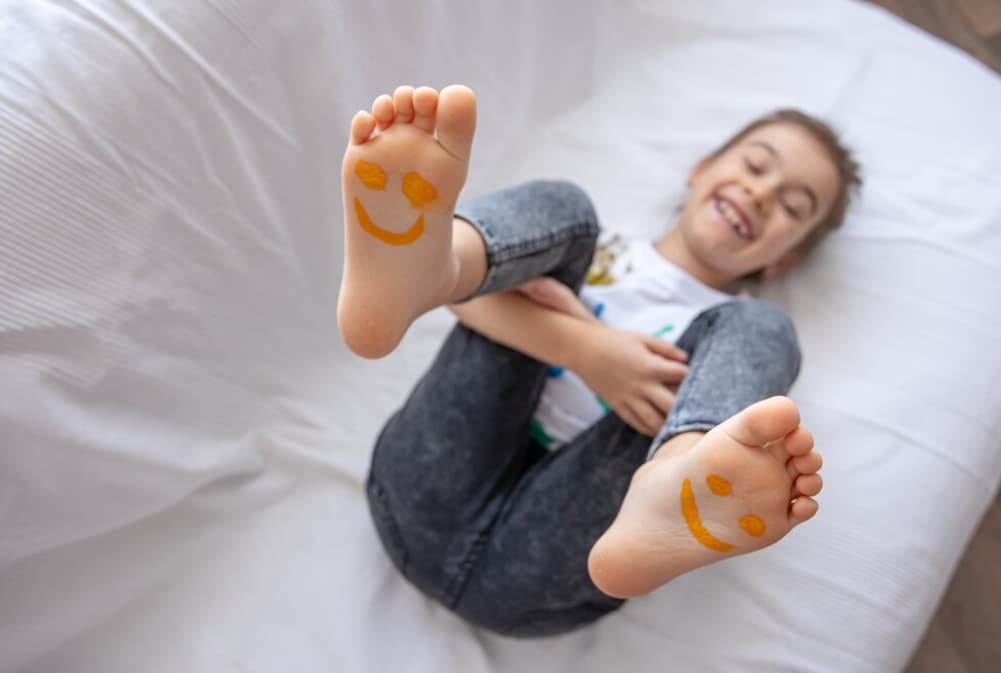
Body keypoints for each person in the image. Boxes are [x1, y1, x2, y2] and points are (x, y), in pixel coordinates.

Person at [337, 85, 861, 637]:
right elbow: (470, 309)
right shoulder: (587, 252)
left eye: (791, 206)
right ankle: (433, 266)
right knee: (567, 209)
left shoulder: (731, 333)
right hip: (422, 483)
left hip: (555, 564)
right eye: (756, 166)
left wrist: (571, 328)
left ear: (784, 259)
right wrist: (586, 349)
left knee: (766, 330)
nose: (761, 194)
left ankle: (678, 471)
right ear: (700, 170)